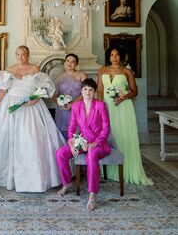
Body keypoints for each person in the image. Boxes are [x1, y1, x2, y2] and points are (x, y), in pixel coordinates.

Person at [0, 45, 65, 192]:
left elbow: (45, 88)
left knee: (31, 139)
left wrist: (36, 99)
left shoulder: (35, 69)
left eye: (24, 54)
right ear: (15, 55)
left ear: (28, 55)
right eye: (18, 54)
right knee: (8, 139)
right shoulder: (9, 70)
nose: (21, 56)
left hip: (31, 107)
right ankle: (9, 177)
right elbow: (3, 90)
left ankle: (34, 179)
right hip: (11, 106)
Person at [97, 46, 153, 185]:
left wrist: (124, 97)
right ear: (108, 57)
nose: (114, 57)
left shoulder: (126, 71)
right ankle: (109, 170)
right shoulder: (102, 70)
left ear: (121, 56)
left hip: (123, 108)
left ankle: (127, 169)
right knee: (110, 135)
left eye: (117, 55)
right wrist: (99, 107)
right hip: (106, 107)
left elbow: (135, 91)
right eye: (111, 55)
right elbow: (99, 90)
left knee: (124, 136)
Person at [56, 78, 110, 211]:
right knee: (61, 153)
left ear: (94, 92)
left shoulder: (100, 105)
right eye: (85, 89)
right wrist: (72, 141)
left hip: (99, 144)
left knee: (91, 154)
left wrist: (94, 143)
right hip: (82, 142)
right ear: (81, 90)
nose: (88, 92)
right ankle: (67, 183)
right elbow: (72, 127)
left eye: (91, 90)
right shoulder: (76, 106)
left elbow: (106, 128)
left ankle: (92, 193)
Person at [53, 53, 87, 140]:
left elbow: (87, 92)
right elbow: (54, 94)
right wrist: (60, 103)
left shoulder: (82, 75)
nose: (70, 63)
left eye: (73, 62)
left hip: (78, 107)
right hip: (63, 110)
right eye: (68, 61)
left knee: (78, 132)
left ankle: (78, 150)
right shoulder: (59, 78)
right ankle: (65, 150)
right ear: (65, 63)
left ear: (76, 64)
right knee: (64, 134)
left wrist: (73, 104)